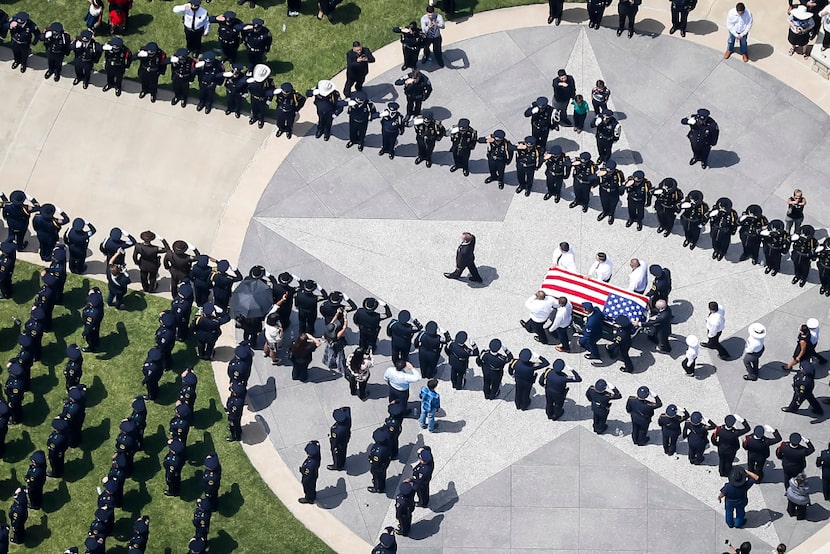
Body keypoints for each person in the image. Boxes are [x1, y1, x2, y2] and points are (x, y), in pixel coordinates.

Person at [367, 428, 392, 493]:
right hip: (385, 463)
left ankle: (378, 488)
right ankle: (381, 485)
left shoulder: (378, 452)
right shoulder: (387, 442)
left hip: (378, 467)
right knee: (382, 475)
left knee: (378, 477)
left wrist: (371, 462)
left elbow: (376, 463)